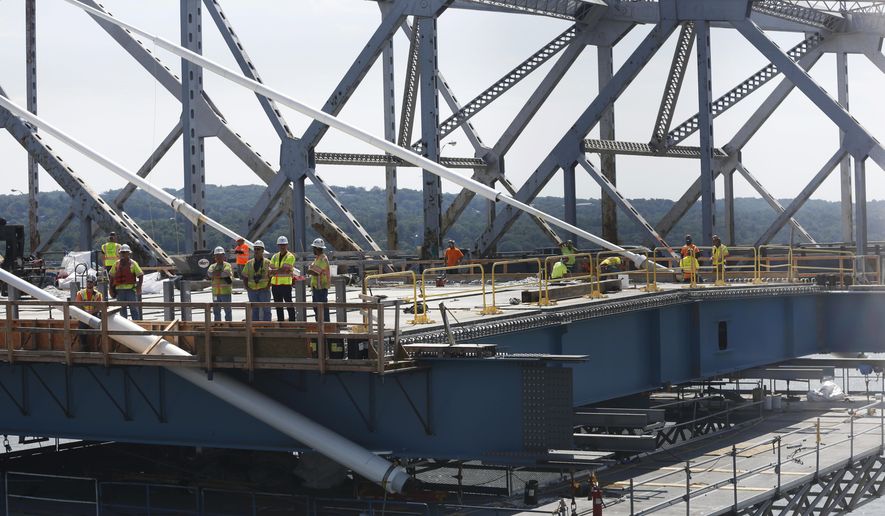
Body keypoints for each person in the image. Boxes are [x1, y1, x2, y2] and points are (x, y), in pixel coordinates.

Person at [109, 244, 143, 320]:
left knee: (134, 309)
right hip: (119, 291)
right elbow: (111, 277)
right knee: (122, 310)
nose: (124, 254)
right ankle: (124, 329)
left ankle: (136, 327)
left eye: (125, 252)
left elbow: (140, 275)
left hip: (130, 290)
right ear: (120, 253)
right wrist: (110, 289)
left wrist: (139, 287)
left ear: (129, 253)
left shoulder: (133, 263)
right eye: (122, 252)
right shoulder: (116, 264)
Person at [242, 240, 272, 321]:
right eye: (255, 249)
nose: (256, 251)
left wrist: (268, 286)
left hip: (264, 290)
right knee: (254, 310)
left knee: (266, 310)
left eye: (258, 249)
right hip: (252, 291)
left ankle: (267, 328)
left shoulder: (268, 263)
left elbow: (272, 276)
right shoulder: (249, 263)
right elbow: (244, 276)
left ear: (262, 250)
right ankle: (255, 328)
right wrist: (247, 288)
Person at [269, 235, 297, 322]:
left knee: (289, 304)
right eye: (281, 245)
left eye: (284, 245)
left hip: (286, 284)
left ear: (287, 245)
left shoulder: (290, 256)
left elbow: (285, 269)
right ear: (278, 246)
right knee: (278, 305)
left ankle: (292, 322)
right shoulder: (275, 256)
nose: (282, 246)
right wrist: (279, 270)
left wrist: (275, 270)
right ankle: (280, 323)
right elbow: (270, 268)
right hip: (275, 285)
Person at [75, 274, 103, 351]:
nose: (89, 283)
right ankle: (84, 346)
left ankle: (98, 347)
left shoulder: (98, 294)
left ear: (94, 283)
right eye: (88, 281)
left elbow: (99, 306)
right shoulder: (80, 293)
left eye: (91, 282)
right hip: (84, 314)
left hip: (94, 314)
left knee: (99, 328)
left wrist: (92, 311)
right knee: (81, 329)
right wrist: (85, 312)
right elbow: (78, 305)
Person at [307, 238, 332, 323]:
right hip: (316, 287)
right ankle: (319, 324)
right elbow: (312, 269)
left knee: (322, 308)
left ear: (317, 248)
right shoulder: (318, 258)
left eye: (314, 248)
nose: (313, 249)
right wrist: (311, 269)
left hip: (321, 288)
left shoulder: (323, 259)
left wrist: (310, 270)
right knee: (316, 307)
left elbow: (315, 272)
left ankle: (325, 325)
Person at [207, 246, 233, 322]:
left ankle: (229, 325)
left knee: (227, 310)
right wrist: (220, 273)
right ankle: (217, 324)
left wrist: (216, 274)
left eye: (220, 255)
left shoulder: (227, 265)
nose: (219, 257)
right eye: (217, 255)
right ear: (215, 256)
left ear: (223, 256)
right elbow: (209, 274)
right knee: (216, 311)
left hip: (225, 292)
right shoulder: (212, 266)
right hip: (215, 293)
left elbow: (226, 274)